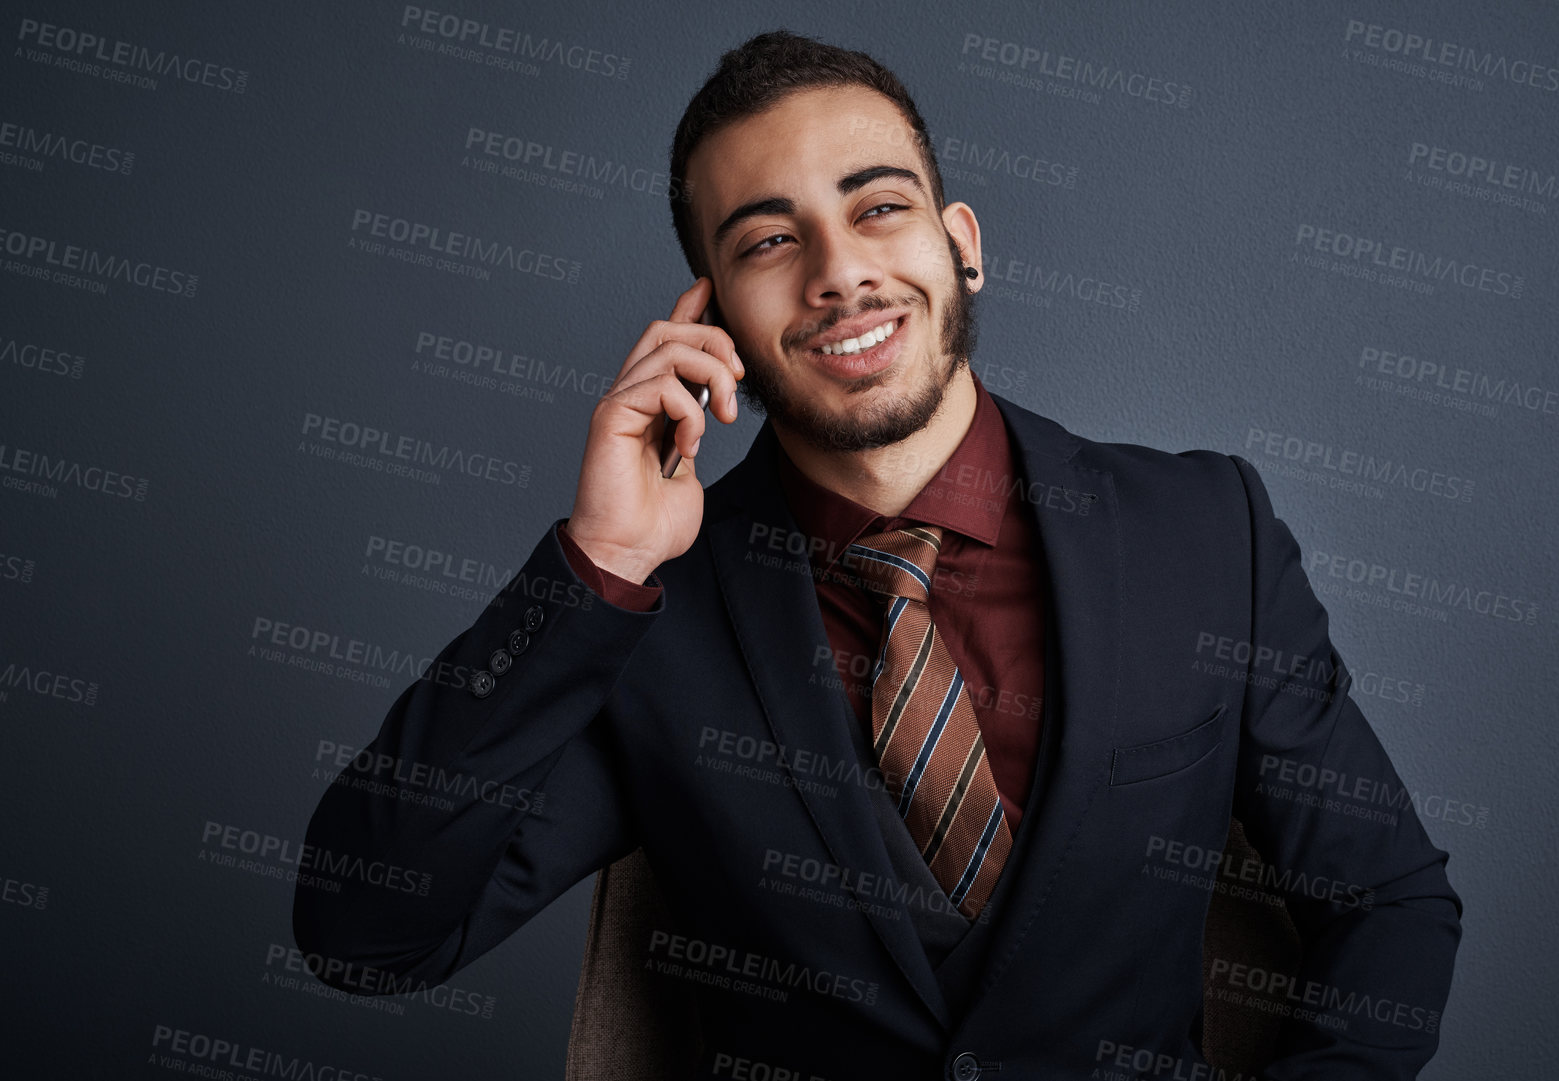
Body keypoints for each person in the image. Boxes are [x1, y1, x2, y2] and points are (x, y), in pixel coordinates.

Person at [294, 29, 1461, 1080]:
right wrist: (595, 561)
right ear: (713, 323)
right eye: (767, 239)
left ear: (962, 246)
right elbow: (364, 933)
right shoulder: (647, 618)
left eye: (878, 208)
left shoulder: (1206, 533)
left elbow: (1389, 898)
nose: (838, 270)